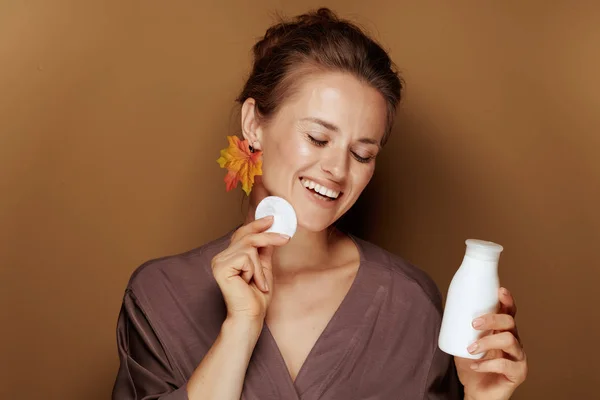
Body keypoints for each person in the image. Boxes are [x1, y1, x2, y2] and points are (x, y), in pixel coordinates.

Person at [111, 8, 527, 400]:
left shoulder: (411, 305)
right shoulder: (159, 298)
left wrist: (480, 398)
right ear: (254, 124)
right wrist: (240, 329)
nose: (337, 169)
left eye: (362, 154)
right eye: (318, 138)